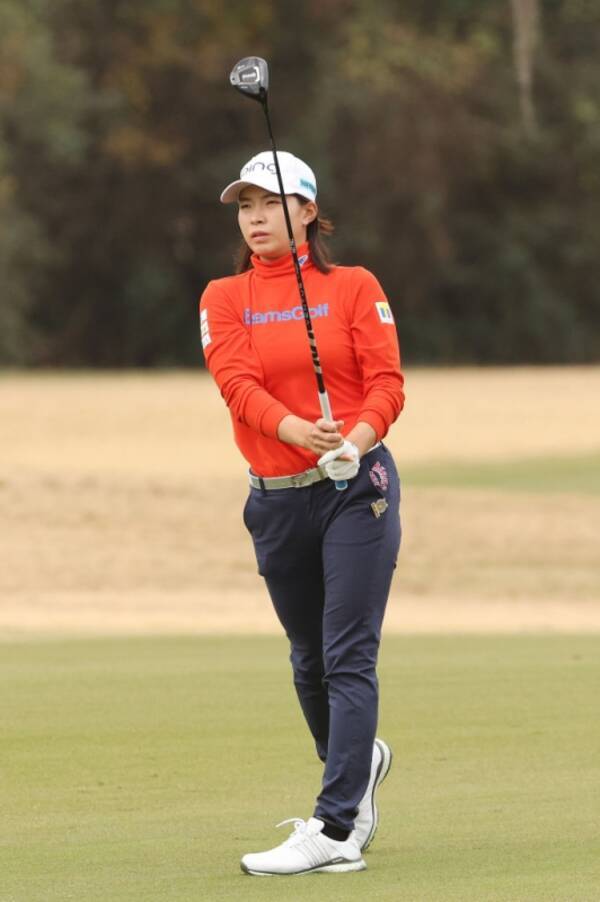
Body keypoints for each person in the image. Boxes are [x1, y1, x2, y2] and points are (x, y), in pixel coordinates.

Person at [199, 150, 404, 876]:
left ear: (308, 212)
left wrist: (353, 441)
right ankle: (357, 761)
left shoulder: (354, 287)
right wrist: (297, 432)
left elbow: (387, 383)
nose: (255, 217)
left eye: (272, 203)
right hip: (276, 498)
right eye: (245, 206)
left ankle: (337, 827)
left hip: (356, 489)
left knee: (348, 654)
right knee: (308, 660)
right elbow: (236, 384)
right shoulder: (224, 298)